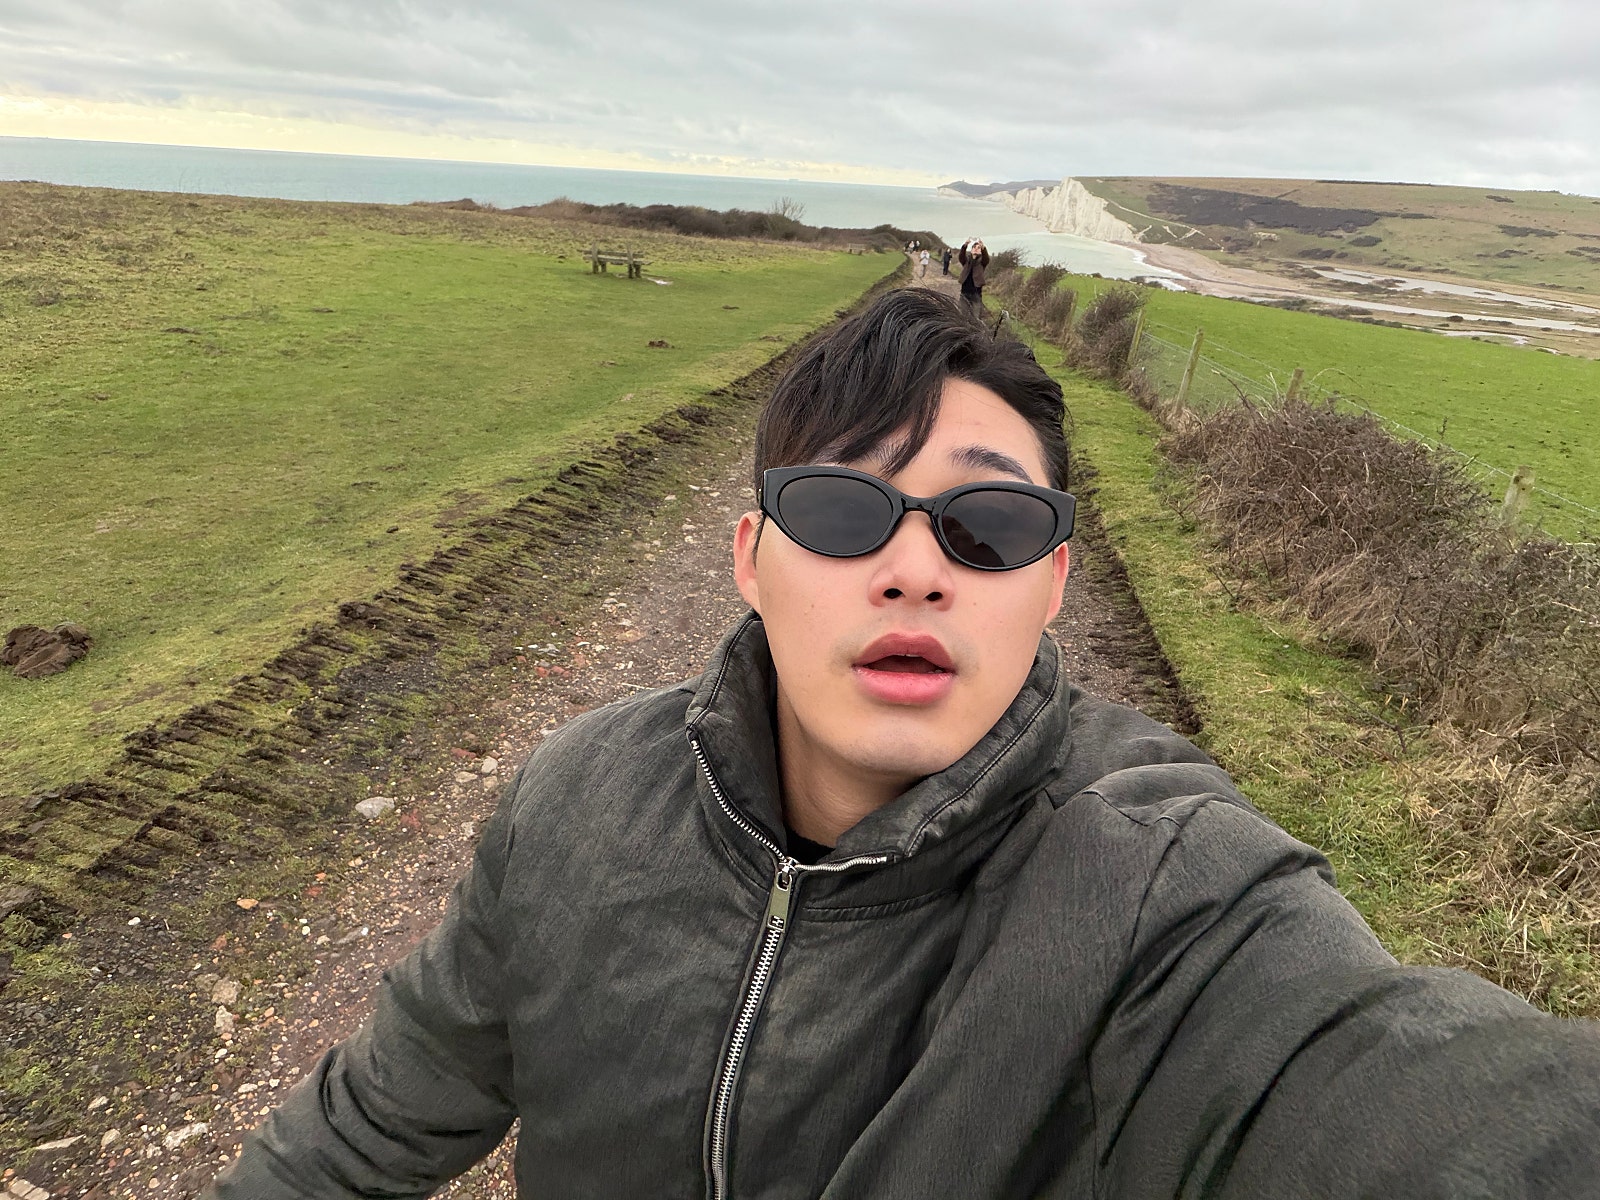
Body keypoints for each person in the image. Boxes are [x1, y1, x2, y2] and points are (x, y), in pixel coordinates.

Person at [206, 288, 1600, 1199]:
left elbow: (1415, 1104)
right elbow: (368, 1125)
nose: (916, 570)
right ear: (749, 559)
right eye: (840, 510)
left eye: (987, 526)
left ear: (1052, 586)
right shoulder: (575, 801)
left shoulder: (1168, 896)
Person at [958, 237, 989, 320]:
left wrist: (983, 248)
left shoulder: (982, 262)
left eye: (978, 248)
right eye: (974, 247)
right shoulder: (966, 261)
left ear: (980, 251)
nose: (976, 249)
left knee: (976, 317)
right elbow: (961, 256)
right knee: (962, 315)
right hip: (964, 292)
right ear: (971, 250)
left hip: (976, 294)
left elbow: (986, 258)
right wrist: (965, 245)